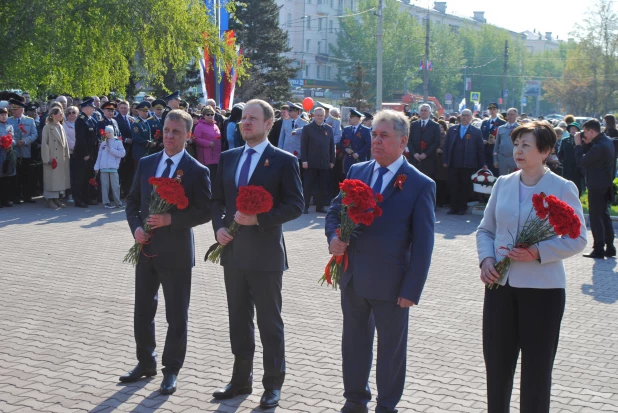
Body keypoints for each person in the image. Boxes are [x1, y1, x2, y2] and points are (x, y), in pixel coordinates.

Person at [325, 109, 435, 413]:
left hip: (392, 285)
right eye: (374, 134)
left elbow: (424, 245)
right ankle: (354, 400)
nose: (376, 140)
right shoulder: (357, 171)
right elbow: (336, 212)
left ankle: (387, 406)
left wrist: (411, 290)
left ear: (403, 142)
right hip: (354, 277)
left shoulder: (419, 184)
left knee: (391, 351)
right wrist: (334, 236)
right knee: (354, 345)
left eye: (384, 135)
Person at [477, 121, 587, 413]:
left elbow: (578, 239)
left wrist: (538, 251)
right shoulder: (503, 183)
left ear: (546, 150)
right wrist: (487, 259)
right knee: (497, 368)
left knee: (536, 373)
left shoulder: (562, 187)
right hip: (500, 287)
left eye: (526, 145)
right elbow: (485, 230)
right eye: (516, 144)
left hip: (543, 292)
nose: (518, 151)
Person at [210, 99, 304, 409]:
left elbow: (295, 206)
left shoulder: (282, 161)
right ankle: (240, 380)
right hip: (234, 253)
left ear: (268, 124)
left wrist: (259, 219)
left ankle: (273, 384)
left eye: (253, 118)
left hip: (265, 256)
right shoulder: (228, 157)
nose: (245, 122)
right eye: (243, 118)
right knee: (238, 319)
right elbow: (217, 201)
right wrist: (219, 229)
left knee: (269, 322)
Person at [121, 109, 212, 395]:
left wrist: (172, 219)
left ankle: (171, 370)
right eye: (167, 130)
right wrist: (135, 227)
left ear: (189, 135)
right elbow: (132, 200)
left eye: (177, 132)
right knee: (142, 311)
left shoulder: (197, 170)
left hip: (176, 253)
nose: (170, 136)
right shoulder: (147, 163)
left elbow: (205, 211)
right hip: (146, 249)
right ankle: (145, 363)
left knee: (176, 315)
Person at [574, 119, 616, 258]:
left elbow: (582, 161)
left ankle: (598, 248)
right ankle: (610, 247)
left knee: (596, 217)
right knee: (604, 215)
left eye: (585, 131)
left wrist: (578, 145)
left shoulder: (599, 146)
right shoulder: (606, 141)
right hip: (605, 183)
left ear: (591, 131)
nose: (583, 134)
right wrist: (587, 143)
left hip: (597, 185)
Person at [442, 109, 487, 215]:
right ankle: (453, 207)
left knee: (465, 186)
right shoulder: (452, 130)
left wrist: (483, 163)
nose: (465, 117)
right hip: (453, 163)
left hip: (468, 163)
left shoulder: (476, 131)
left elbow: (480, 149)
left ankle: (462, 207)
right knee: (453, 186)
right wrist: (445, 160)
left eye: (467, 115)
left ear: (471, 117)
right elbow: (446, 146)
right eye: (463, 115)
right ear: (460, 117)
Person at [301, 107, 335, 214]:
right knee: (308, 186)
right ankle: (305, 206)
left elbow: (331, 146)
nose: (319, 117)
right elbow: (303, 146)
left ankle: (320, 207)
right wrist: (304, 160)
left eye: (321, 115)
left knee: (322, 186)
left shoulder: (328, 129)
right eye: (317, 115)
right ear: (313, 116)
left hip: (324, 162)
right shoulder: (307, 128)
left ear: (324, 116)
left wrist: (332, 160)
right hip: (310, 162)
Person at [7, 97, 38, 204]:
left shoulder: (30, 120)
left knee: (26, 175)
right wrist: (15, 142)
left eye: (15, 109)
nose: (13, 112)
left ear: (21, 109)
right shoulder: (8, 120)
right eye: (12, 110)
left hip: (26, 152)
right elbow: (7, 134)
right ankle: (15, 197)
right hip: (14, 152)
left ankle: (27, 196)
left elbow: (34, 134)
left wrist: (25, 141)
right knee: (15, 176)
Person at [40, 107, 71, 209]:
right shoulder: (47, 127)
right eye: (60, 114)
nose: (62, 115)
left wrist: (67, 155)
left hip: (61, 158)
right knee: (51, 180)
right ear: (53, 115)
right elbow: (44, 144)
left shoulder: (61, 126)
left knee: (59, 180)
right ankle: (50, 199)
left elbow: (65, 143)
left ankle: (57, 198)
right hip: (52, 157)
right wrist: (46, 158)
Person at [73, 98, 99, 208]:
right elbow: (81, 139)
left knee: (88, 177)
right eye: (91, 107)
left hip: (91, 153)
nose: (93, 109)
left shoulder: (91, 119)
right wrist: (86, 153)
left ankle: (86, 197)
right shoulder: (80, 120)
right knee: (80, 177)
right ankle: (78, 200)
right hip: (83, 155)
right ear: (86, 108)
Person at [94, 125, 126, 208]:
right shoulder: (103, 143)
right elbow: (99, 156)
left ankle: (118, 202)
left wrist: (111, 150)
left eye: (109, 132)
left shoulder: (117, 142)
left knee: (115, 186)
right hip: (103, 167)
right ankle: (106, 202)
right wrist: (96, 167)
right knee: (105, 186)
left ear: (112, 132)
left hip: (113, 167)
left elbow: (122, 153)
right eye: (106, 132)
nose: (108, 134)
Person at [408, 103, 441, 180]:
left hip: (428, 160)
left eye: (425, 110)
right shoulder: (413, 125)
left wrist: (426, 154)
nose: (423, 112)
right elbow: (408, 140)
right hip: (414, 159)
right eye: (421, 110)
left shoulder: (435, 126)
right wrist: (414, 153)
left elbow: (437, 142)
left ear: (430, 112)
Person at [193, 105, 222, 179]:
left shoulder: (215, 126)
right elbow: (196, 139)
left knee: (215, 178)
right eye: (208, 114)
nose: (210, 116)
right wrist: (208, 143)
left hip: (216, 155)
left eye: (212, 114)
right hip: (205, 157)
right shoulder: (199, 126)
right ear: (203, 115)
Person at [342, 109, 371, 174]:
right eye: (350, 117)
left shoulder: (365, 130)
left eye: (351, 117)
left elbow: (368, 144)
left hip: (360, 160)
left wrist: (359, 153)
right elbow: (341, 142)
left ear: (357, 118)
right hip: (348, 160)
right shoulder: (347, 129)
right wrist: (345, 149)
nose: (349, 119)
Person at [115, 100, 134, 198]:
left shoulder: (131, 119)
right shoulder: (115, 119)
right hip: (120, 148)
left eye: (125, 108)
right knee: (120, 171)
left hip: (130, 149)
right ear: (118, 108)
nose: (123, 110)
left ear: (129, 109)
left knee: (129, 172)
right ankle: (119, 192)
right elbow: (116, 134)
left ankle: (127, 191)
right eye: (121, 108)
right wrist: (125, 139)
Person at [558, 122, 584, 196]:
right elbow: (560, 153)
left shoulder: (581, 140)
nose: (573, 130)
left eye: (575, 129)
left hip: (578, 166)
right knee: (567, 182)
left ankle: (577, 197)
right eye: (572, 129)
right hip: (567, 166)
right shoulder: (565, 140)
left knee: (577, 184)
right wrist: (562, 161)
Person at [481, 102, 506, 177]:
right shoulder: (485, 122)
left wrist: (496, 142)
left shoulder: (502, 123)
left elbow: (505, 138)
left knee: (495, 172)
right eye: (490, 109)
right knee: (485, 172)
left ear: (497, 110)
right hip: (485, 150)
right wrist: (483, 141)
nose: (492, 111)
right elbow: (481, 134)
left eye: (494, 109)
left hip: (496, 151)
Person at [493, 108, 519, 176]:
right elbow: (496, 145)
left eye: (512, 114)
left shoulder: (520, 128)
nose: (510, 116)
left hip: (514, 158)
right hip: (502, 158)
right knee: (502, 178)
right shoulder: (501, 128)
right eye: (508, 114)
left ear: (516, 115)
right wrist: (495, 159)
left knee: (514, 178)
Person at [0, 107, 16, 207]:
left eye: (5, 114)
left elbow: (14, 140)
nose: (4, 116)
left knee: (7, 178)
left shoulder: (10, 126)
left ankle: (6, 199)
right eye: (2, 115)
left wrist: (10, 140)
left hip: (8, 154)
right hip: (0, 154)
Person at [132, 101, 153, 169]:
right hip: (139, 152)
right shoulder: (136, 123)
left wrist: (152, 141)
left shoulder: (146, 122)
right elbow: (136, 137)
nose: (145, 113)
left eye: (146, 111)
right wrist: (148, 143)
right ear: (138, 111)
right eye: (142, 111)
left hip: (146, 152)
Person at [435, 120, 449, 207]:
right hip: (435, 160)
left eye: (442, 127)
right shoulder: (433, 136)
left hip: (443, 161)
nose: (440, 129)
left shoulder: (447, 137)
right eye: (439, 127)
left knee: (443, 181)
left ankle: (442, 201)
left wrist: (442, 151)